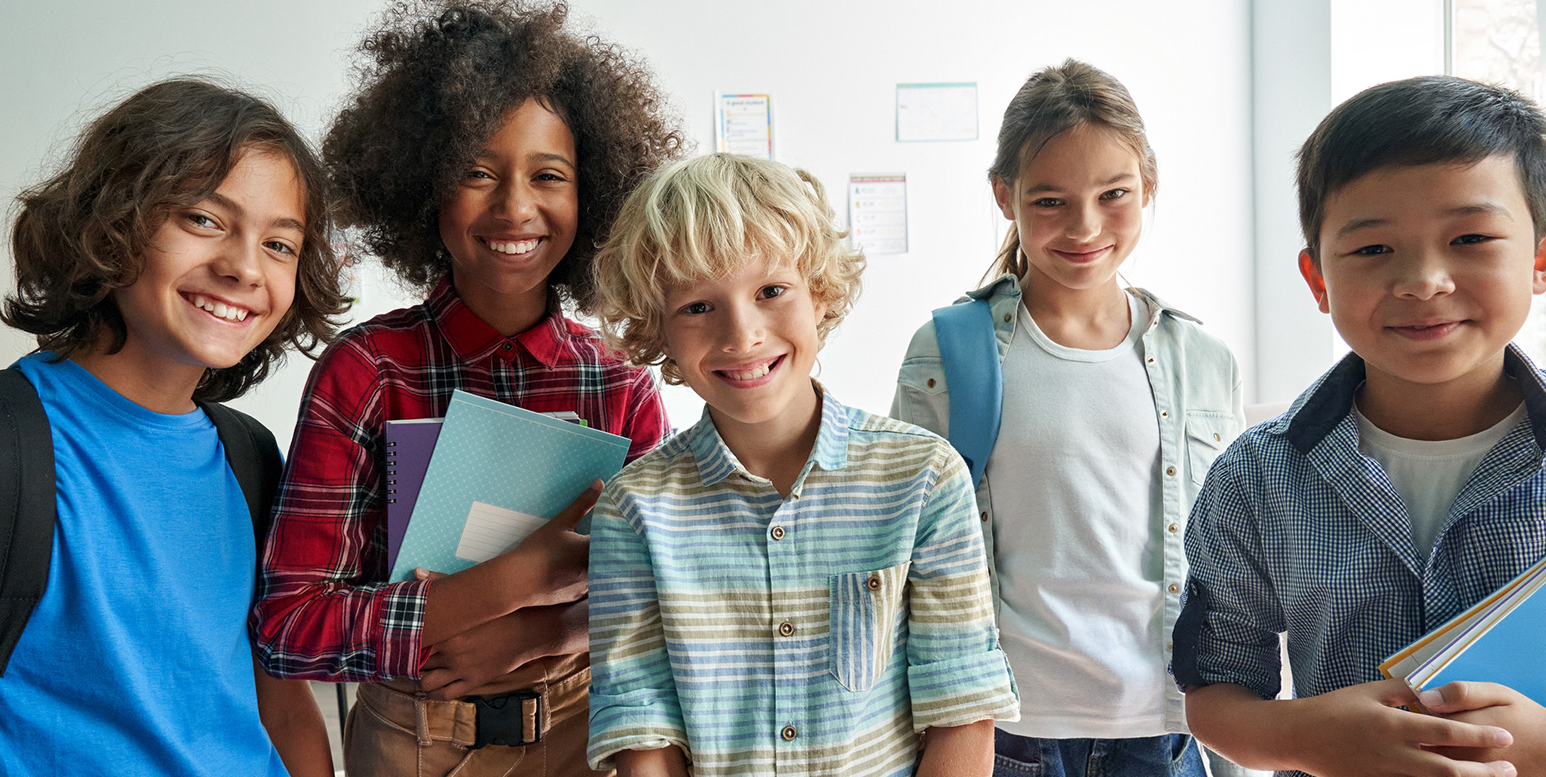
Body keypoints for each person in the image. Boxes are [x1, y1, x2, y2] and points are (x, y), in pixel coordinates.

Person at [251, 0, 684, 776]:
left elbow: (664, 597)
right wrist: (508, 582)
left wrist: (548, 630)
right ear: (422, 194)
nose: (516, 207)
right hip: (414, 736)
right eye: (476, 172)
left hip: (588, 729)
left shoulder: (622, 384)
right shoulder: (366, 373)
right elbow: (290, 626)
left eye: (548, 176)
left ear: (592, 197)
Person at [0, 78, 344, 775]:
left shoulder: (251, 458)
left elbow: (279, 705)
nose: (243, 267)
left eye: (280, 244)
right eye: (202, 219)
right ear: (112, 221)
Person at [587, 153, 1019, 777]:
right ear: (659, 330)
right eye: (697, 307)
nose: (743, 335)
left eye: (771, 291)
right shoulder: (634, 510)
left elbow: (962, 713)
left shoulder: (925, 478)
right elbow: (642, 732)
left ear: (819, 294)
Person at [1174, 75, 1546, 777]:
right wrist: (1305, 738)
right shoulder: (1258, 476)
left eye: (1470, 237)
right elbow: (1215, 687)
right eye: (1373, 250)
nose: (1423, 280)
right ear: (1318, 281)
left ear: (1539, 259)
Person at [891, 59, 1244, 777]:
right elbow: (906, 545)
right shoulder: (948, 350)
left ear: (1148, 188)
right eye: (1050, 200)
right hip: (1008, 730)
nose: (1085, 226)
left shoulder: (1203, 358)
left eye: (1114, 194)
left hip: (1166, 725)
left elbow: (1234, 560)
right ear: (1005, 196)